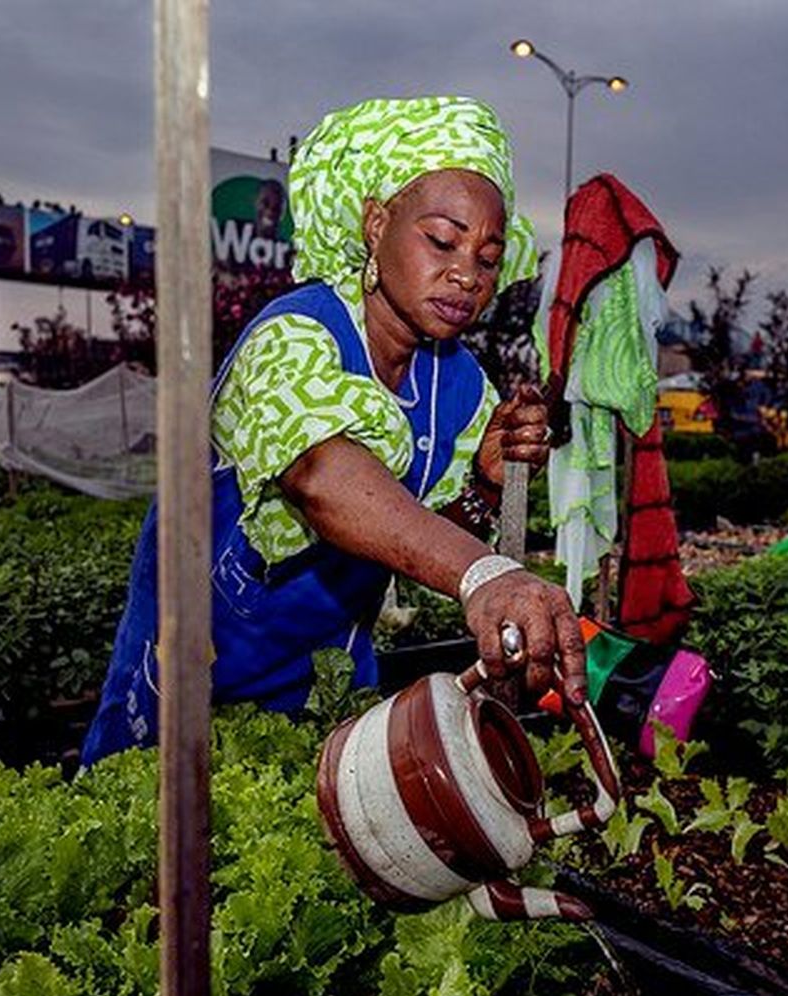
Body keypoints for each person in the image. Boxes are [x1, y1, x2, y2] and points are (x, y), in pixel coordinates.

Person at [81, 96, 586, 765]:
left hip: (330, 676)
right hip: (191, 674)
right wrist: (487, 575)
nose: (466, 274)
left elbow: (429, 536)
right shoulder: (294, 338)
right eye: (441, 241)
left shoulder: (462, 387)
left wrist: (486, 487)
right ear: (376, 224)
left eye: (487, 258)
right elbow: (324, 480)